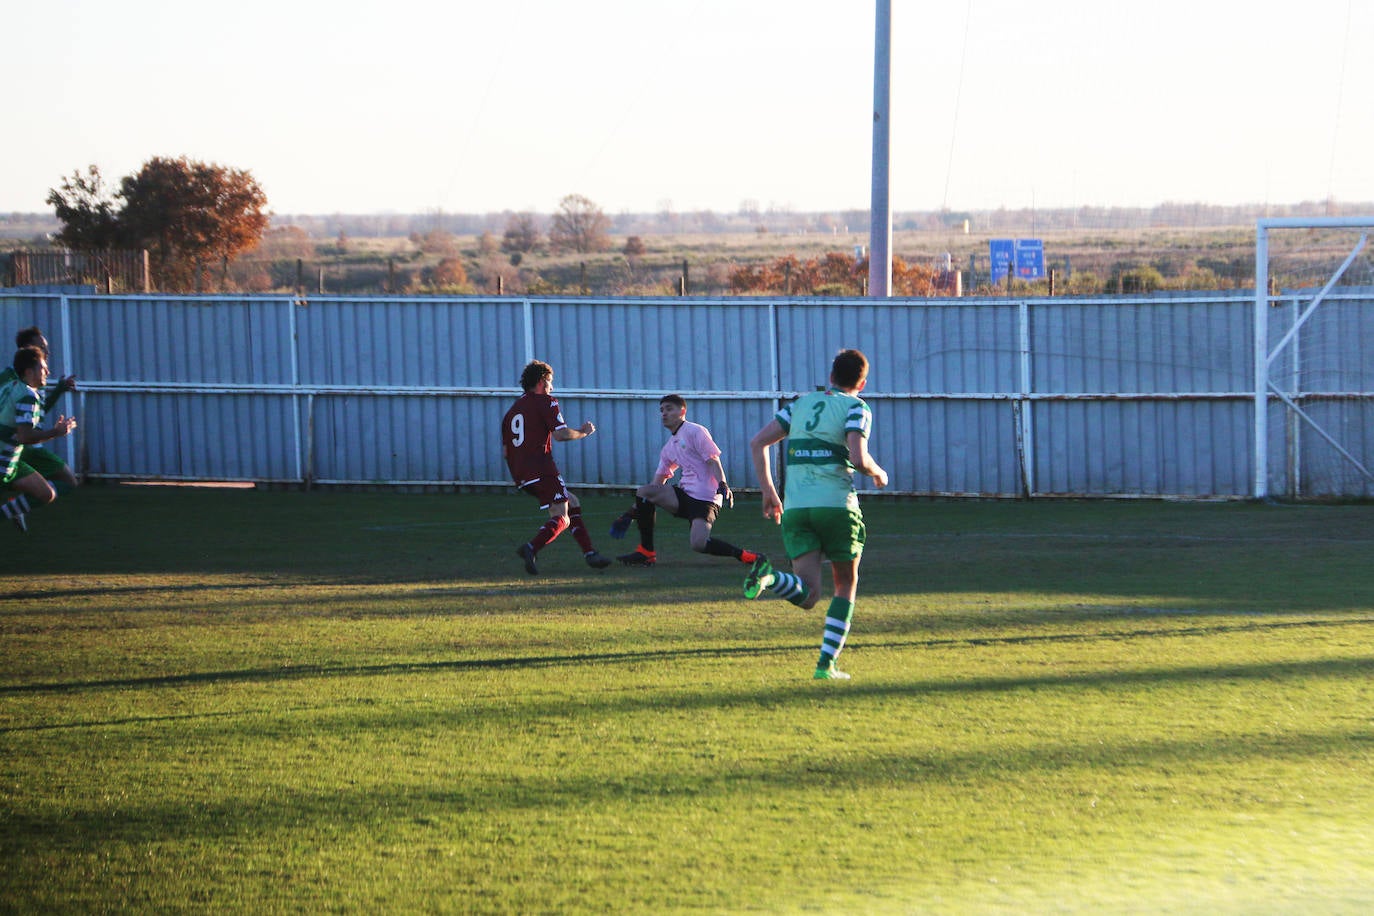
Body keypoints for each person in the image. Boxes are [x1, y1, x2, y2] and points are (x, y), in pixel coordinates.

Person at [741, 348, 888, 680]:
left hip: (796, 508)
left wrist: (768, 490)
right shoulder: (857, 407)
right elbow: (859, 457)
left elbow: (757, 442)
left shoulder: (800, 405)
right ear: (862, 383)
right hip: (836, 507)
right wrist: (879, 473)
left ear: (831, 376)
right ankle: (826, 665)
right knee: (845, 584)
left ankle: (769, 577)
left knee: (808, 594)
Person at [608, 393, 765, 571]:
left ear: (682, 411)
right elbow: (655, 486)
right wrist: (630, 513)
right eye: (661, 410)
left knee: (698, 544)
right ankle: (646, 552)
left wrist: (723, 484)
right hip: (684, 496)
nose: (664, 414)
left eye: (669, 409)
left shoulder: (695, 431)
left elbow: (713, 459)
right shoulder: (668, 448)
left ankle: (745, 555)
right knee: (645, 491)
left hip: (706, 498)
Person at [501, 360, 612, 575]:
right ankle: (531, 547)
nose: (552, 387)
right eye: (550, 382)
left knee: (572, 502)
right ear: (542, 381)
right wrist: (583, 432)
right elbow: (560, 435)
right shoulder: (547, 402)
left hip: (521, 474)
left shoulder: (511, 412)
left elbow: (506, 451)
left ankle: (590, 553)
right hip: (542, 468)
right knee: (562, 516)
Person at [1, 346, 79, 533]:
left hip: (10, 460)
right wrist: (56, 432)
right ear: (29, 371)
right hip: (3, 461)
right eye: (43, 367)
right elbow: (25, 436)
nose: (48, 371)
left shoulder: (10, 386)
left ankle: (12, 511)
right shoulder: (28, 395)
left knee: (46, 493)